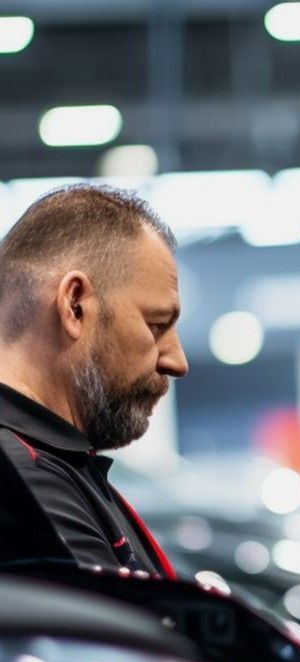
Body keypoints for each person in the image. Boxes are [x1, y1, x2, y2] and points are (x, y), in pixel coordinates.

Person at [0, 183, 186, 575]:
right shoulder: (20, 483)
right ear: (74, 305)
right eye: (156, 325)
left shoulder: (57, 466)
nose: (176, 360)